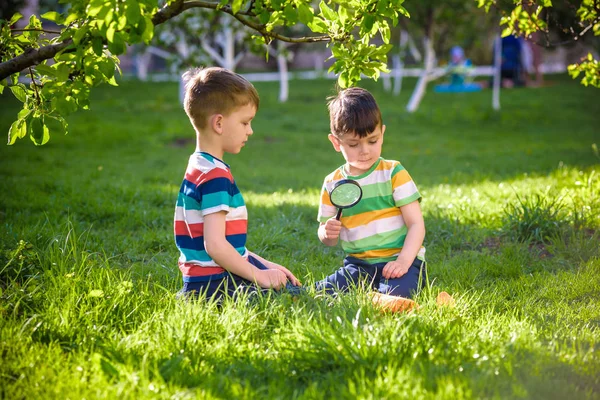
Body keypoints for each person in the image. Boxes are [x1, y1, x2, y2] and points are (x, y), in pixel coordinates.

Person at [174, 67, 301, 300]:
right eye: (245, 122)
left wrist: (264, 264)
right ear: (219, 124)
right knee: (290, 298)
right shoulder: (215, 176)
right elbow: (215, 245)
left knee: (287, 284)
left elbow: (227, 246)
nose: (250, 131)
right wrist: (260, 276)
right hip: (214, 283)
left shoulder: (199, 165)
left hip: (204, 277)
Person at [316, 87, 427, 308]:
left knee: (399, 295)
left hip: (399, 260)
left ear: (382, 133)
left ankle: (380, 297)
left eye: (373, 141)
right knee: (319, 293)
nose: (365, 151)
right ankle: (374, 297)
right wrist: (326, 232)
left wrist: (404, 261)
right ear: (336, 143)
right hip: (358, 265)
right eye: (354, 144)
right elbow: (326, 235)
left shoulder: (394, 173)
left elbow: (416, 224)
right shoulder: (332, 182)